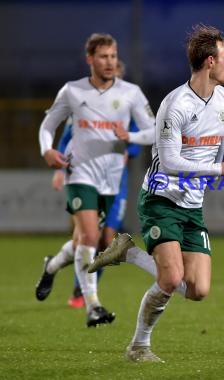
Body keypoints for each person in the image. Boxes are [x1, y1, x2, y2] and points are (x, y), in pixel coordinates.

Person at [86, 24, 224, 363]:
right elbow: (169, 161)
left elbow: (221, 138)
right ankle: (138, 347)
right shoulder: (176, 104)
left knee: (198, 290)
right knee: (170, 279)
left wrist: (214, 165)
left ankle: (127, 254)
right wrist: (219, 168)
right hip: (161, 200)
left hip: (192, 206)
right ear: (211, 62)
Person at [36, 33, 155, 327]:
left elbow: (153, 131)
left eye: (113, 56)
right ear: (90, 59)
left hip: (112, 179)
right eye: (103, 56)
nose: (109, 62)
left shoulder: (131, 93)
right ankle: (93, 306)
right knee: (90, 236)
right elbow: (48, 125)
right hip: (81, 173)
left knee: (85, 242)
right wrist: (47, 151)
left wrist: (132, 137)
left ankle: (51, 266)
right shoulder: (73, 92)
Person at [50, 61, 143, 309]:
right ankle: (81, 290)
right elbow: (67, 138)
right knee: (86, 237)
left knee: (105, 240)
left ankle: (60, 268)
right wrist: (60, 169)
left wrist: (128, 149)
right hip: (86, 176)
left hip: (115, 182)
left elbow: (138, 139)